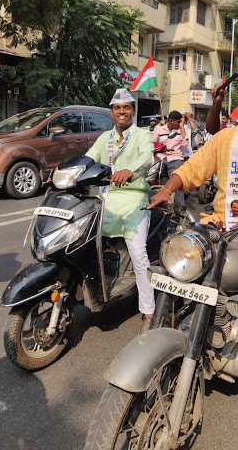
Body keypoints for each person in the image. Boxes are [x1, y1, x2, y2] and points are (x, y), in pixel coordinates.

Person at [148, 74, 238, 261]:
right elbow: (192, 168)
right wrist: (167, 190)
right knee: (172, 260)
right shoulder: (224, 139)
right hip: (219, 230)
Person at [86, 88, 155, 334]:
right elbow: (88, 159)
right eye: (117, 108)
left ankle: (149, 309)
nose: (122, 111)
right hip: (106, 197)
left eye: (126, 107)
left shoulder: (142, 134)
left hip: (134, 197)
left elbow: (148, 157)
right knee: (82, 240)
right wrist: (66, 171)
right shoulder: (104, 138)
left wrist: (130, 171)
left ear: (133, 111)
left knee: (138, 253)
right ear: (112, 112)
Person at [152, 110, 188, 202]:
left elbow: (185, 143)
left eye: (180, 121)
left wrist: (182, 127)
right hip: (161, 157)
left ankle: (180, 206)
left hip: (175, 158)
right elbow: (152, 143)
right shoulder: (159, 130)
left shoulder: (180, 130)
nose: (179, 123)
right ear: (171, 121)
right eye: (178, 121)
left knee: (177, 179)